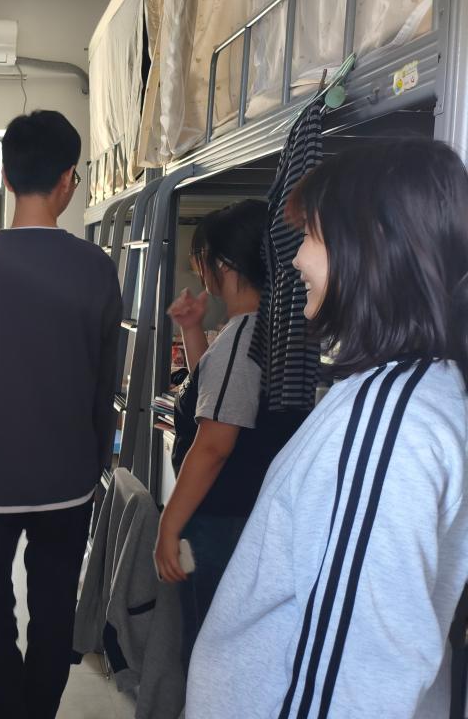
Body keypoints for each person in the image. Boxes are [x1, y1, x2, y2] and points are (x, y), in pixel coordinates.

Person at [187, 140, 468, 718]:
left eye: (311, 236)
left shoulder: (390, 426)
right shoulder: (398, 392)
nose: (296, 261)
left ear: (370, 246)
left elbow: (358, 675)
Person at [0, 110, 122, 719]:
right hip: (68, 478)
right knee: (54, 609)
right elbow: (104, 383)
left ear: (5, 176)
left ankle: (4, 710)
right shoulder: (97, 268)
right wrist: (94, 462)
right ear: (68, 179)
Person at [154, 200, 305, 668]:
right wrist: (193, 330)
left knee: (209, 650)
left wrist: (168, 524)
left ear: (223, 263)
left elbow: (215, 445)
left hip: (221, 522)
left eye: (201, 257)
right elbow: (219, 395)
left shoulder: (242, 339)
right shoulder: (268, 329)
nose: (198, 268)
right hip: (248, 515)